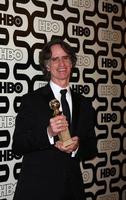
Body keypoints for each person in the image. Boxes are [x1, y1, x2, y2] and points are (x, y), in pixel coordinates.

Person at [12, 38, 98, 200]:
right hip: (38, 190)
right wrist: (48, 133)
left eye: (66, 58)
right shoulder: (31, 101)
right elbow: (18, 145)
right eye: (55, 59)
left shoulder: (85, 103)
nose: (62, 63)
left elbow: (92, 147)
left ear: (72, 63)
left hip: (72, 190)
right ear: (47, 65)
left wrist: (77, 147)